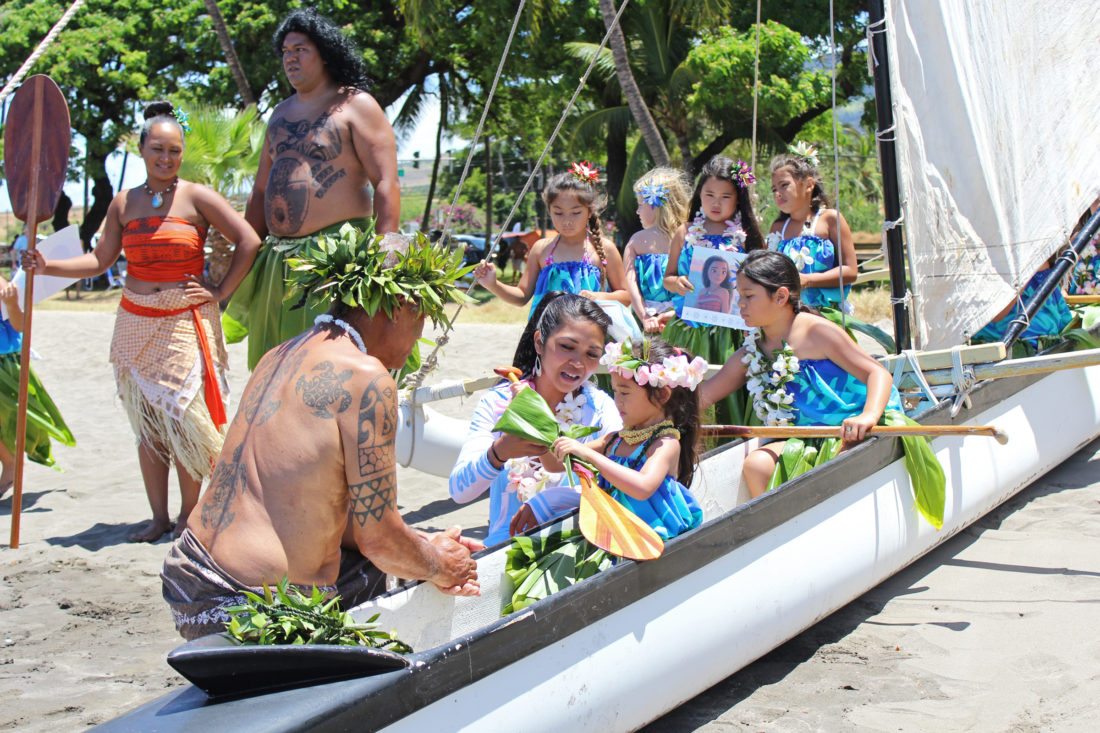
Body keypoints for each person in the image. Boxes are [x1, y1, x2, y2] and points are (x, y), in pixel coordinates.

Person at [162, 226, 482, 640]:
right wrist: (443, 565)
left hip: (190, 575)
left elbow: (322, 509)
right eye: (422, 320)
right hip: (250, 605)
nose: (416, 342)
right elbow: (380, 541)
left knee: (397, 563)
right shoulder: (366, 378)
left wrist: (423, 542)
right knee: (418, 581)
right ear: (401, 306)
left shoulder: (279, 353)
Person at [24, 101, 261, 542]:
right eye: (158, 149)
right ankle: (158, 518)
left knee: (185, 421)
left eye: (174, 150)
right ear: (142, 149)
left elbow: (249, 240)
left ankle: (189, 515)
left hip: (184, 320)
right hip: (135, 319)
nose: (166, 158)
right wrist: (46, 266)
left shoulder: (198, 197)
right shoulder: (123, 202)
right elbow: (100, 260)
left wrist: (220, 290)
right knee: (149, 426)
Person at [700, 251, 944, 527]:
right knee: (756, 465)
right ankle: (780, 531)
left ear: (780, 297)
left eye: (748, 296)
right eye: (739, 296)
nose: (740, 304)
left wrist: (867, 417)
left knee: (839, 464)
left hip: (855, 426)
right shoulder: (753, 349)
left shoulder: (817, 332)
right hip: (808, 436)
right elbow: (707, 393)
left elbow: (877, 373)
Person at [224, 8, 401, 370]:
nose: (290, 58)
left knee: (326, 368)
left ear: (325, 53)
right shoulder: (280, 113)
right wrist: (246, 250)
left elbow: (386, 181)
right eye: (285, 52)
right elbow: (260, 192)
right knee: (275, 367)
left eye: (300, 50)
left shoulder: (355, 105)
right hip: (278, 262)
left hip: (335, 258)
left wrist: (385, 251)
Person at [448, 292, 623, 547]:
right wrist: (499, 452)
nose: (578, 363)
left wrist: (550, 501)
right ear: (540, 342)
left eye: (592, 354)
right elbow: (459, 491)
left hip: (578, 544)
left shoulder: (600, 408)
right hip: (505, 549)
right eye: (567, 347)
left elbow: (619, 485)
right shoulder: (498, 403)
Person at [552, 337, 705, 540]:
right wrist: (536, 415)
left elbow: (642, 487)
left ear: (662, 395)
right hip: (612, 532)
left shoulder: (665, 444)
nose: (617, 401)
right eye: (615, 391)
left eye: (624, 393)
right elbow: (555, 463)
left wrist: (590, 455)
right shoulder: (614, 440)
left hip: (649, 539)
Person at [662, 156, 764, 425]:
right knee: (685, 391)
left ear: (738, 199)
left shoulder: (746, 235)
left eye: (725, 196)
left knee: (726, 392)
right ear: (699, 195)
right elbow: (668, 277)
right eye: (709, 195)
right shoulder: (684, 232)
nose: (716, 203)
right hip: (689, 329)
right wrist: (676, 282)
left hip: (731, 333)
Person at [473, 162, 629, 316]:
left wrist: (601, 297)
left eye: (576, 213)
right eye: (558, 213)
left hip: (590, 331)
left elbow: (626, 296)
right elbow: (522, 296)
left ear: (589, 212)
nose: (567, 221)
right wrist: (493, 284)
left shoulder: (605, 249)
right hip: (546, 332)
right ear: (549, 211)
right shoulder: (541, 249)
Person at [0, 275, 75, 497]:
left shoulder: (2, 284)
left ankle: (11, 463)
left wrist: (11, 304)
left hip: (5, 364)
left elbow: (21, 325)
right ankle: (10, 462)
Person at [765, 144, 857, 311]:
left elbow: (850, 271)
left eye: (784, 185)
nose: (777, 193)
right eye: (774, 189)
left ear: (808, 184)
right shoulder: (778, 228)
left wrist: (808, 280)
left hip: (826, 314)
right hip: (788, 314)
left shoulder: (829, 219)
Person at [624, 167, 691, 333]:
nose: (637, 211)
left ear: (656, 206)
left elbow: (632, 286)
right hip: (683, 320)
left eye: (640, 205)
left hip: (648, 321)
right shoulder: (691, 237)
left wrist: (645, 317)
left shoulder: (636, 241)